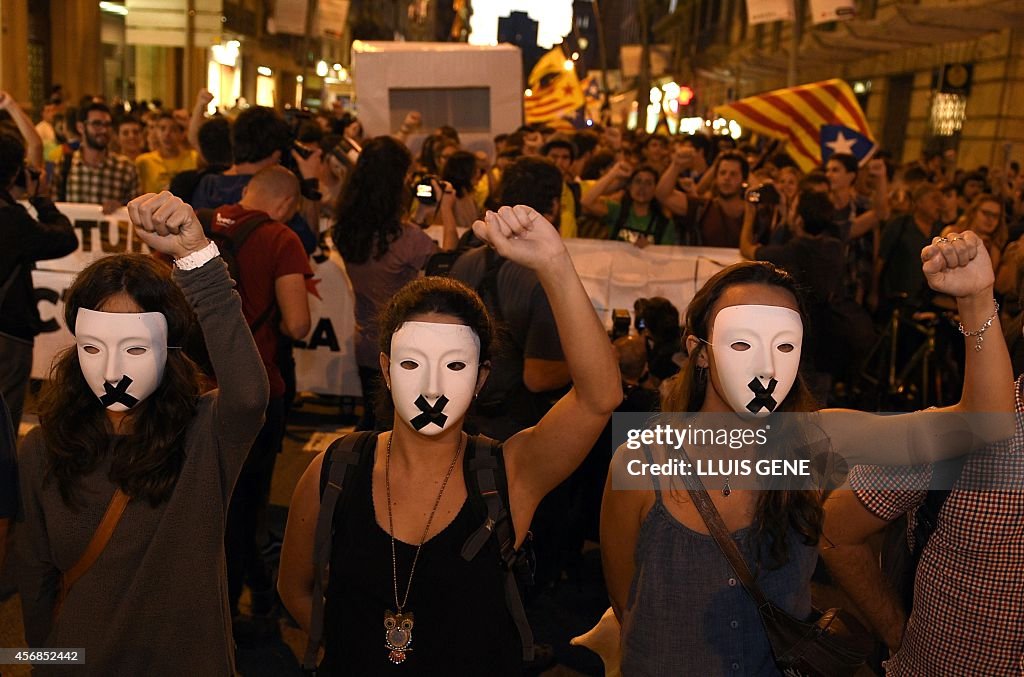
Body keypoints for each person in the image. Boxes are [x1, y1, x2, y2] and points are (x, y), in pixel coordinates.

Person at [599, 229, 1013, 675]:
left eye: (784, 344)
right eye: (742, 343)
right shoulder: (641, 464)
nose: (766, 366)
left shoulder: (816, 442)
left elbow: (983, 426)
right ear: (699, 352)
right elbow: (629, 603)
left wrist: (976, 299)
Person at [278, 204, 622, 675]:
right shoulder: (336, 470)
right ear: (385, 368)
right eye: (412, 363)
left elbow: (599, 397)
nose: (433, 387)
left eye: (455, 365)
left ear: (481, 379)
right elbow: (294, 587)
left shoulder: (507, 476)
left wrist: (554, 265)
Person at [16, 191, 269, 675]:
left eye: (134, 348)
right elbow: (35, 577)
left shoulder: (202, 435)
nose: (112, 370)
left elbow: (249, 396)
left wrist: (196, 257)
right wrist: (44, 662)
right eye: (94, 347)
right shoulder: (43, 448)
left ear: (169, 348)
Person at [204, 166, 313, 624]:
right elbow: (298, 324)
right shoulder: (282, 239)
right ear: (287, 204)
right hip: (256, 385)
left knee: (207, 497)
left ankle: (217, 600)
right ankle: (242, 607)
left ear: (246, 191)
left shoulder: (203, 222)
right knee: (248, 505)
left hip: (198, 382)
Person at [332, 136, 458, 431]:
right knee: (391, 430)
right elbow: (448, 265)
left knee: (373, 421)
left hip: (366, 341)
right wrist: (448, 210)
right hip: (400, 347)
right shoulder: (407, 238)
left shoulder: (346, 230)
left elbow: (391, 246)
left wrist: (422, 216)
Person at [0, 130, 78, 431]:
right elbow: (64, 238)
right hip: (8, 334)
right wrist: (41, 198)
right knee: (4, 421)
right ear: (16, 173)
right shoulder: (13, 219)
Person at [54, 102, 140, 212]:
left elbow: (138, 212)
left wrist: (121, 207)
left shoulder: (126, 168)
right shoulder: (63, 165)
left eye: (107, 125)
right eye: (97, 124)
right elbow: (54, 209)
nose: (104, 130)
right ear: (80, 127)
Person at [582, 162, 674, 246]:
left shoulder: (664, 223)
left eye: (648, 183)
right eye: (638, 181)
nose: (642, 187)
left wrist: (650, 249)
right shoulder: (617, 211)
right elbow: (586, 201)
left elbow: (666, 258)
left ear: (655, 189)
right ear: (629, 186)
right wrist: (613, 174)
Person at [135, 112, 199, 193]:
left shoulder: (194, 157)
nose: (167, 134)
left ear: (182, 134)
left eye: (173, 130)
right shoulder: (143, 161)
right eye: (162, 129)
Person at [943, 193, 1006, 271]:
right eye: (986, 213)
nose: (990, 219)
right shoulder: (952, 232)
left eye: (995, 216)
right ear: (974, 212)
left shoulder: (994, 249)